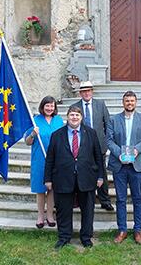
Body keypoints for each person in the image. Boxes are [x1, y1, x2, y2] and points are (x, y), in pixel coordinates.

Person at [44, 106, 104, 249]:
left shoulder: (91, 133)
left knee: (88, 210)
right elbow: (50, 159)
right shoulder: (57, 135)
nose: (74, 117)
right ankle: (64, 237)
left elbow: (98, 157)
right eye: (72, 115)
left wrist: (100, 176)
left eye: (77, 115)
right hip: (63, 178)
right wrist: (47, 179)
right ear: (67, 117)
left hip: (87, 178)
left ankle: (86, 237)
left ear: (81, 117)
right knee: (63, 210)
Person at [107, 91, 141, 245]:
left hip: (136, 164)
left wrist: (137, 149)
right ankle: (122, 229)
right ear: (123, 102)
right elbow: (109, 140)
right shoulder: (114, 119)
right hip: (119, 165)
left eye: (132, 101)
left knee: (137, 198)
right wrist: (119, 153)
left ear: (136, 102)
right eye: (127, 101)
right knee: (120, 199)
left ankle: (138, 230)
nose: (130, 103)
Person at [71, 81, 113, 211]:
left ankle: (104, 200)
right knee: (81, 172)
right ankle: (82, 200)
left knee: (101, 173)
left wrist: (106, 142)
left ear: (92, 92)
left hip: (99, 145)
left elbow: (108, 125)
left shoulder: (100, 104)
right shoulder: (75, 106)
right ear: (80, 93)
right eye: (84, 91)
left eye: (89, 90)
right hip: (81, 147)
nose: (86, 93)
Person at [25, 96, 63, 229]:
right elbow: (28, 142)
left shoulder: (59, 121)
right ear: (43, 106)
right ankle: (40, 216)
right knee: (40, 189)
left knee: (51, 188)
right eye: (47, 106)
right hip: (40, 159)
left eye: (52, 106)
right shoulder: (35, 121)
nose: (50, 108)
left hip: (55, 160)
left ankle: (50, 216)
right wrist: (33, 134)